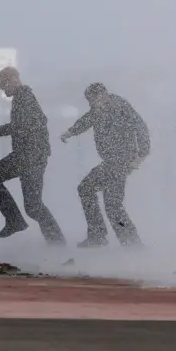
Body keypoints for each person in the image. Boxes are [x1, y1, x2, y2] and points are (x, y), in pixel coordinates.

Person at [0, 67, 66, 246]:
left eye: (2, 85)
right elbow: (38, 122)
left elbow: (16, 127)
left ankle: (15, 221)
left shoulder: (24, 98)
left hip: (27, 156)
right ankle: (58, 246)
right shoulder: (25, 97)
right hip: (35, 156)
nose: (1, 89)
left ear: (12, 79)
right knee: (34, 206)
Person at [61, 83, 150, 248]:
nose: (90, 104)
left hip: (121, 161)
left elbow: (140, 126)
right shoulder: (98, 109)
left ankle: (132, 244)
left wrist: (141, 155)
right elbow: (87, 119)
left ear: (102, 95)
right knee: (87, 189)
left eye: (92, 100)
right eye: (89, 101)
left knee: (112, 203)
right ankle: (98, 235)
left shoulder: (120, 106)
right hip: (110, 162)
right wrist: (71, 132)